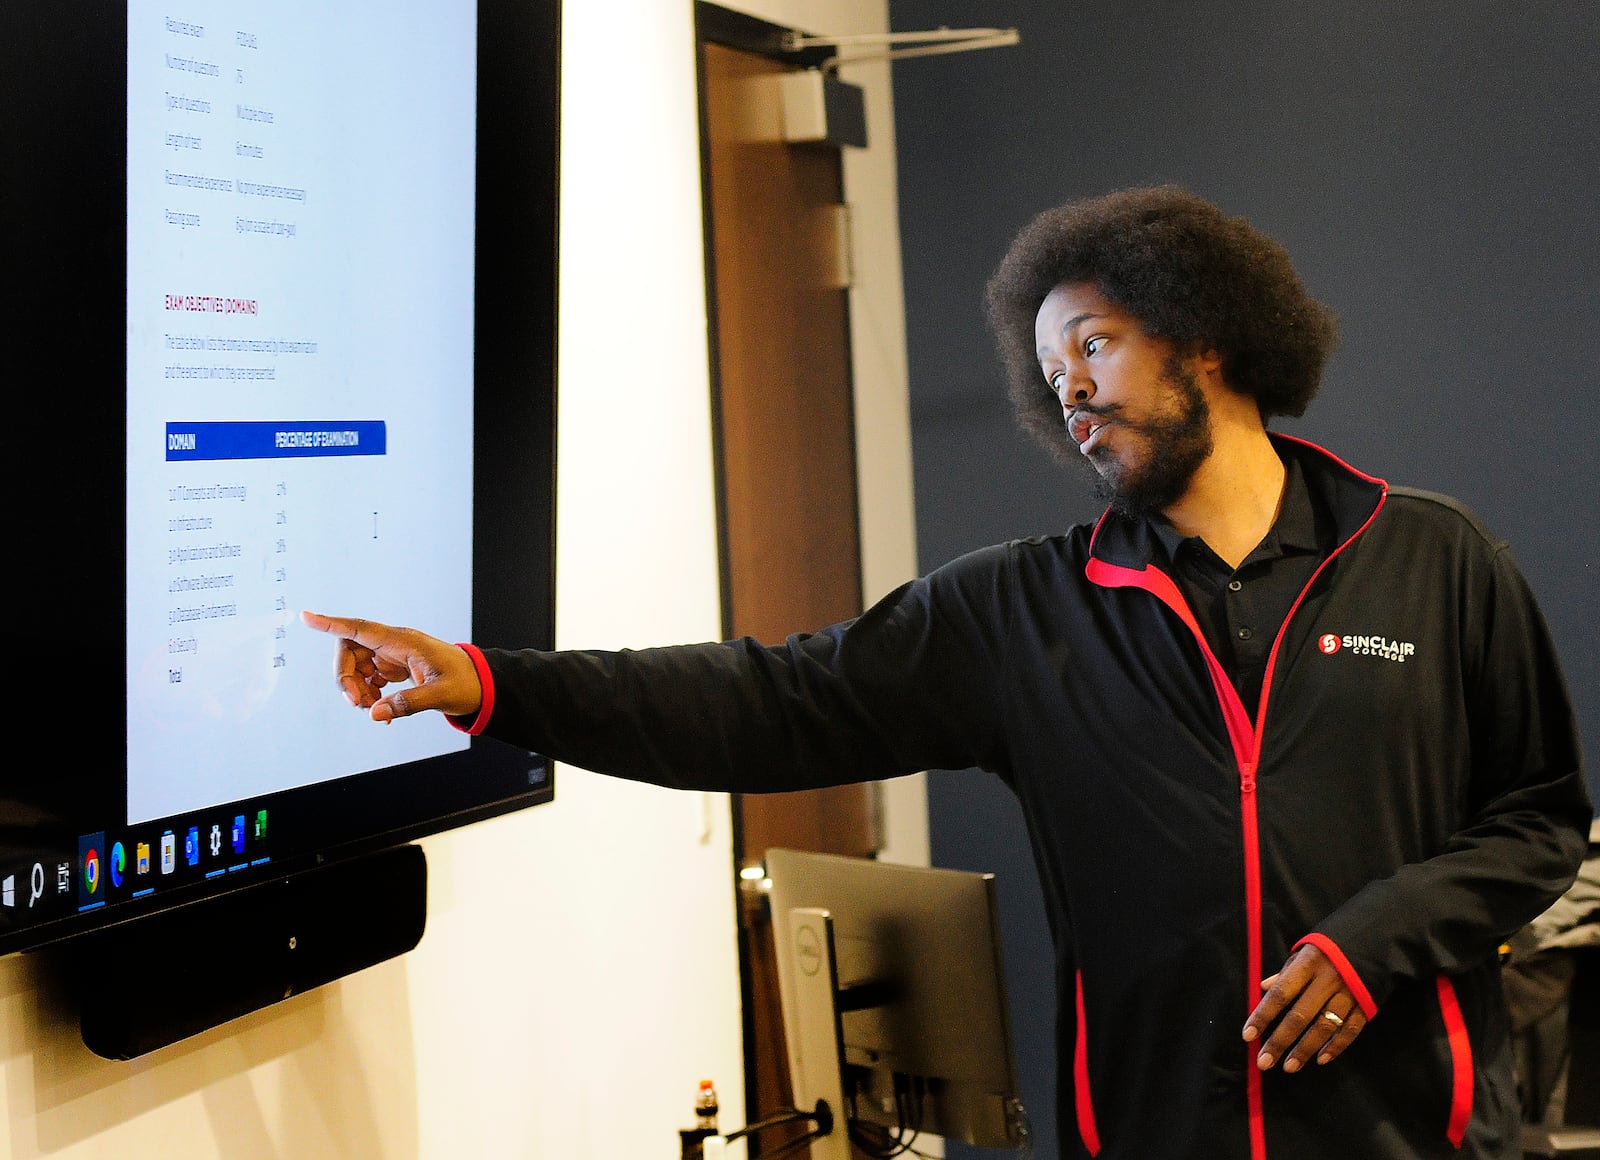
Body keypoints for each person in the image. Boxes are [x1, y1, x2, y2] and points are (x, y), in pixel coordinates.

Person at [302, 186, 1592, 1159]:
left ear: (1205, 331)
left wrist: (1381, 936)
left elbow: (1538, 820)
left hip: (1422, 1140)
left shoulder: (1430, 557)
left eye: (1092, 346)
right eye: (1051, 375)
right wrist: (488, 683)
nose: (1070, 394)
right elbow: (768, 701)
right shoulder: (1022, 612)